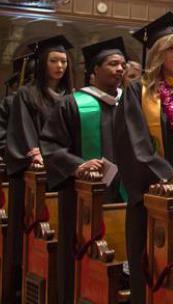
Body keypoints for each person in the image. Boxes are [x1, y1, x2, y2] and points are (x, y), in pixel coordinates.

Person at [115, 12, 173, 304]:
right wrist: (169, 175)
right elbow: (135, 143)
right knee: (150, 268)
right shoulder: (136, 91)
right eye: (171, 48)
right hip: (151, 194)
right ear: (157, 52)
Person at [40, 37, 128, 302]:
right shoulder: (72, 103)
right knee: (81, 256)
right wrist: (78, 165)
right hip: (83, 199)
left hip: (125, 197)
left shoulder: (129, 104)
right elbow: (50, 145)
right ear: (95, 70)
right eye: (113, 64)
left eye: (122, 64)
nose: (120, 69)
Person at [3, 36, 74, 301]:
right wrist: (34, 151)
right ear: (43, 64)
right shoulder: (27, 94)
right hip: (36, 172)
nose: (60, 66)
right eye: (54, 61)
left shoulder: (71, 97)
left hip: (62, 169)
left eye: (64, 61)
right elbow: (22, 129)